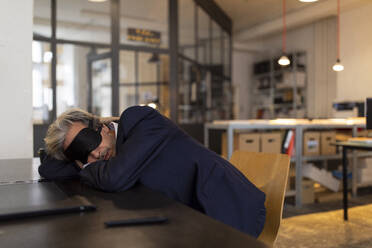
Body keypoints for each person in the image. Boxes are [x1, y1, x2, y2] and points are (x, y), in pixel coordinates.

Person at [39, 106, 266, 237]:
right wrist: (75, 158)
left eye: (89, 143)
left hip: (229, 211)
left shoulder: (140, 120)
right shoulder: (106, 155)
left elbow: (115, 178)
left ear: (104, 128)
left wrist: (84, 166)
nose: (94, 155)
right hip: (188, 216)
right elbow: (48, 168)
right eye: (81, 155)